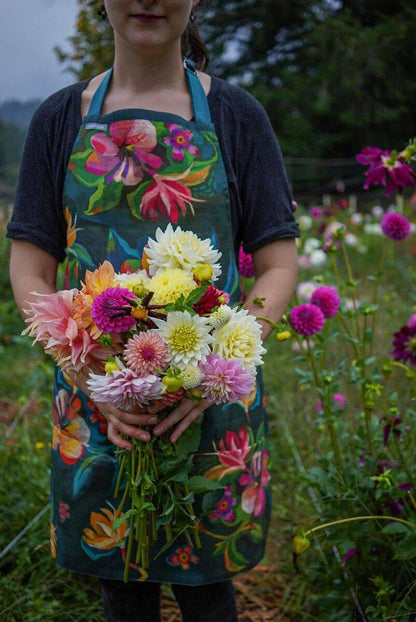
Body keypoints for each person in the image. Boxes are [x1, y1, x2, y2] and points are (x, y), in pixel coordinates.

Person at [7, 1, 299, 620]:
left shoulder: (236, 116)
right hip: (96, 403)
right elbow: (31, 268)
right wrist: (88, 377)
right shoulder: (61, 119)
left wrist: (215, 371)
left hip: (212, 404)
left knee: (209, 592)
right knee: (122, 590)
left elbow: (277, 263)